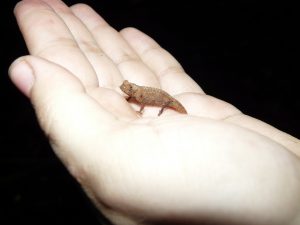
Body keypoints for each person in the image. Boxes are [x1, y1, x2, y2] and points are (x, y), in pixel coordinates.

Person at [9, 0, 300, 224]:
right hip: (158, 96)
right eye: (126, 90)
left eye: (128, 90)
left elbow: (151, 98)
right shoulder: (134, 92)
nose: (126, 92)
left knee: (165, 102)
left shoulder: (139, 95)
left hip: (164, 99)